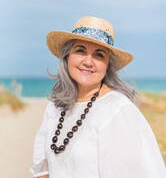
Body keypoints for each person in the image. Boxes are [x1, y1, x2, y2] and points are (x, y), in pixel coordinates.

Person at [30, 16, 166, 178]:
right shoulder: (55, 106)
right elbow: (43, 169)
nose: (88, 61)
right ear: (67, 57)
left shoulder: (118, 111)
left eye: (99, 55)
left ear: (108, 64)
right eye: (80, 50)